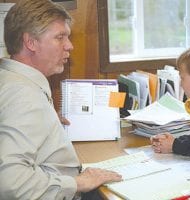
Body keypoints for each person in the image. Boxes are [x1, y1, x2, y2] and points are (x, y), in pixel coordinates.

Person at [0, 0, 122, 199]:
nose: (70, 46)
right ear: (30, 42)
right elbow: (10, 183)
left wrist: (46, 120)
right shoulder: (24, 96)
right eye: (60, 37)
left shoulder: (11, 79)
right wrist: (78, 183)